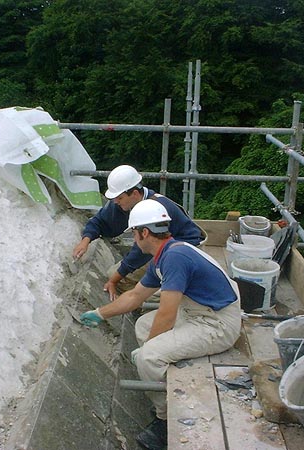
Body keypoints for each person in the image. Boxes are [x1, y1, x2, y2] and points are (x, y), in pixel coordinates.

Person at [79, 200, 241, 450]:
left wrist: (148, 352)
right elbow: (135, 296)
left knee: (149, 356)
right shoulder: (165, 254)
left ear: (144, 232)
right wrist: (100, 313)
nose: (134, 239)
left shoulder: (174, 258)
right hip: (200, 310)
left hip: (217, 322)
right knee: (144, 325)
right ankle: (164, 373)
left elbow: (166, 312)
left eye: (134, 232)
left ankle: (165, 419)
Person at [72, 165, 204, 300]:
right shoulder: (124, 202)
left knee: (125, 281)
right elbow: (99, 221)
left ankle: (168, 295)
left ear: (134, 193)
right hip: (165, 246)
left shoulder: (152, 209)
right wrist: (85, 240)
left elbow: (140, 253)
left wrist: (114, 280)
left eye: (119, 198)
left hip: (187, 249)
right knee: (121, 277)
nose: (116, 202)